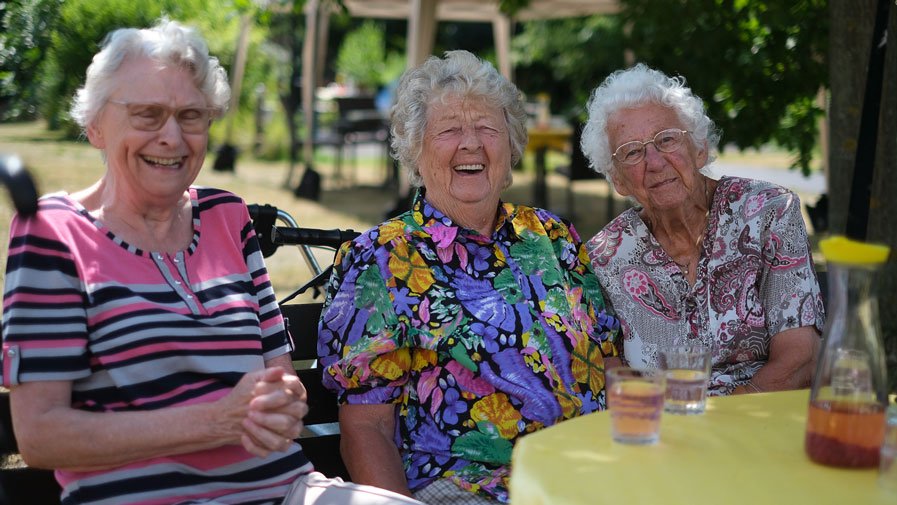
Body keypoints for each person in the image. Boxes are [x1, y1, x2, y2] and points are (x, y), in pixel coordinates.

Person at [0, 19, 423, 505]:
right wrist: (215, 421)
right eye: (148, 115)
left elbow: (281, 380)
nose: (173, 137)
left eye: (192, 116)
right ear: (95, 124)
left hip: (287, 491)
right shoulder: (54, 233)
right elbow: (40, 437)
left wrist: (283, 403)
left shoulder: (227, 217)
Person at [317, 50, 620, 504]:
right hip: (473, 486)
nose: (471, 144)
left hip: (592, 470)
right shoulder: (383, 259)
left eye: (487, 128)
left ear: (512, 146)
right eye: (449, 130)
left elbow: (610, 366)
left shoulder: (550, 236)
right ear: (416, 152)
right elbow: (367, 427)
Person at [580, 64, 824, 396]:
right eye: (632, 152)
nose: (654, 161)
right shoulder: (604, 257)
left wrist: (724, 424)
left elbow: (801, 357)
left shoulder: (769, 214)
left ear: (699, 149)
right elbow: (609, 369)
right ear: (618, 180)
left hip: (760, 420)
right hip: (664, 431)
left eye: (666, 139)